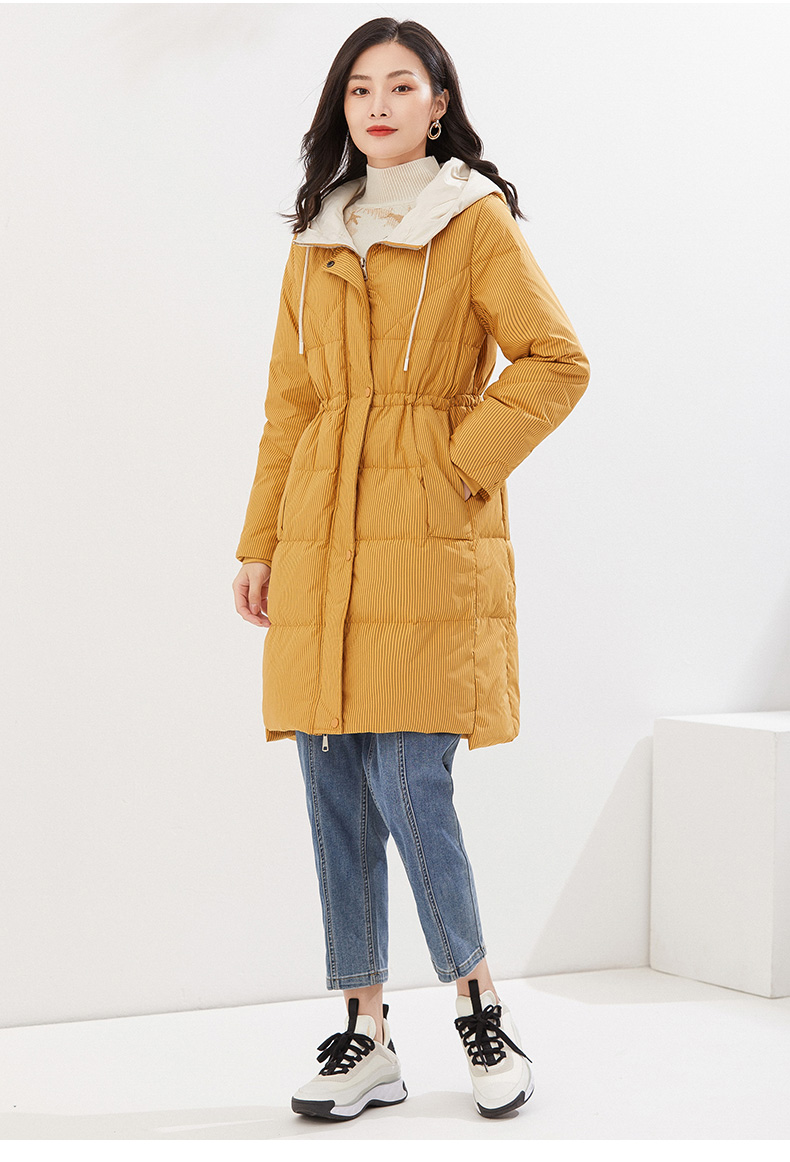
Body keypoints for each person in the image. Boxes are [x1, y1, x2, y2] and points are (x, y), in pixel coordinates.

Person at [231, 17, 590, 1122]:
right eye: (358, 88)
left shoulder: (471, 219)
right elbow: (291, 403)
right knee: (334, 785)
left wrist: (453, 463)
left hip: (427, 542)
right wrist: (259, 541)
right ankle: (366, 1032)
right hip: (320, 537)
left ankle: (479, 1006)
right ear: (340, 109)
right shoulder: (317, 233)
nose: (377, 105)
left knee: (408, 784)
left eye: (400, 86)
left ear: (440, 104)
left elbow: (555, 361)